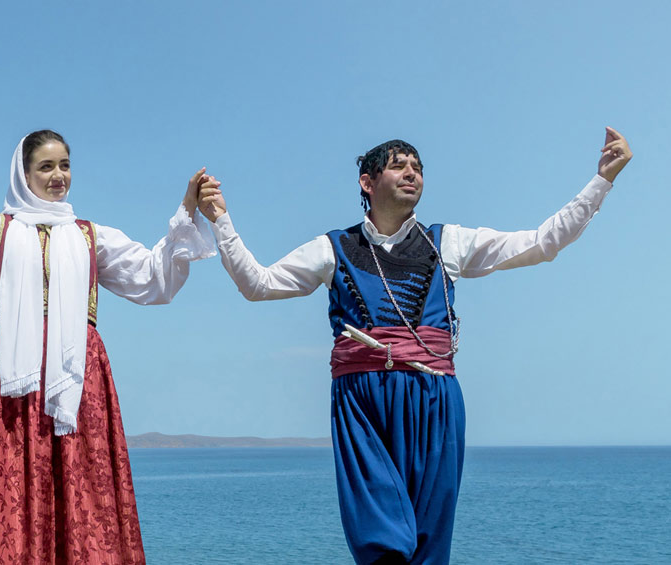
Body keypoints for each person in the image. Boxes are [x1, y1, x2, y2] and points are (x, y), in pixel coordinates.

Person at [197, 130, 631, 564]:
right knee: (382, 541)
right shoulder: (332, 249)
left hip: (435, 399)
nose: (412, 173)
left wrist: (602, 181)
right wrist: (220, 219)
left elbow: (542, 243)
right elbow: (258, 285)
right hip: (361, 406)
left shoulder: (449, 243)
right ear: (368, 182)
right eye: (400, 165)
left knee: (428, 542)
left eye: (418, 168)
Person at [0, 129, 217, 563]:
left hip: (78, 379)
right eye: (46, 166)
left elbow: (152, 276)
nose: (58, 176)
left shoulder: (91, 236)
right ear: (24, 173)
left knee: (83, 480)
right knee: (13, 483)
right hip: (15, 378)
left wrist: (188, 208)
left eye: (65, 165)